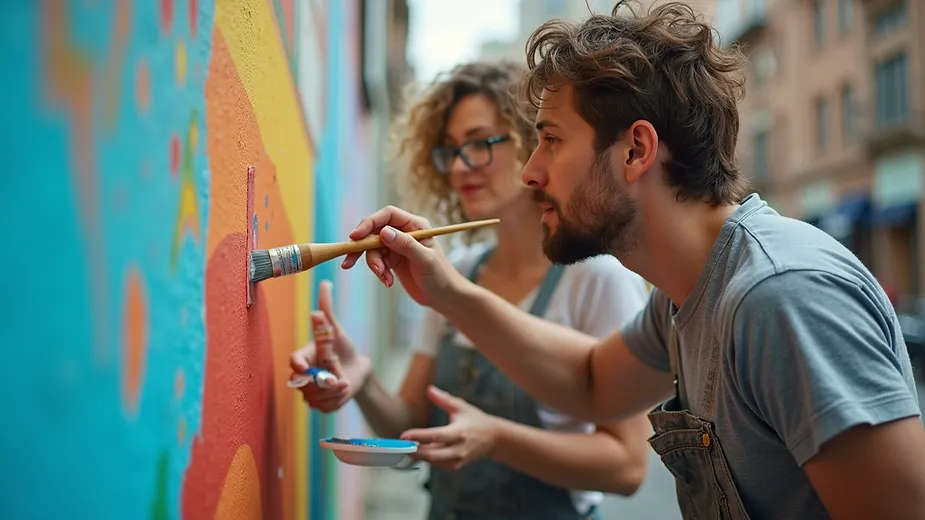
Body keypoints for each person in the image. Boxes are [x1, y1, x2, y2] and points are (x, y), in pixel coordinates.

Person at [339, 2, 925, 519]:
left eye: (551, 139)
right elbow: (592, 383)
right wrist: (446, 290)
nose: (530, 171)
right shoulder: (684, 292)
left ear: (636, 150)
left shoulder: (782, 294)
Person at [290, 60, 654, 520]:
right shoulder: (454, 271)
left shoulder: (597, 277)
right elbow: (408, 425)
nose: (460, 166)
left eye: (480, 143)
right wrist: (360, 379)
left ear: (534, 141)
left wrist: (497, 440)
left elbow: (627, 467)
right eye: (450, 150)